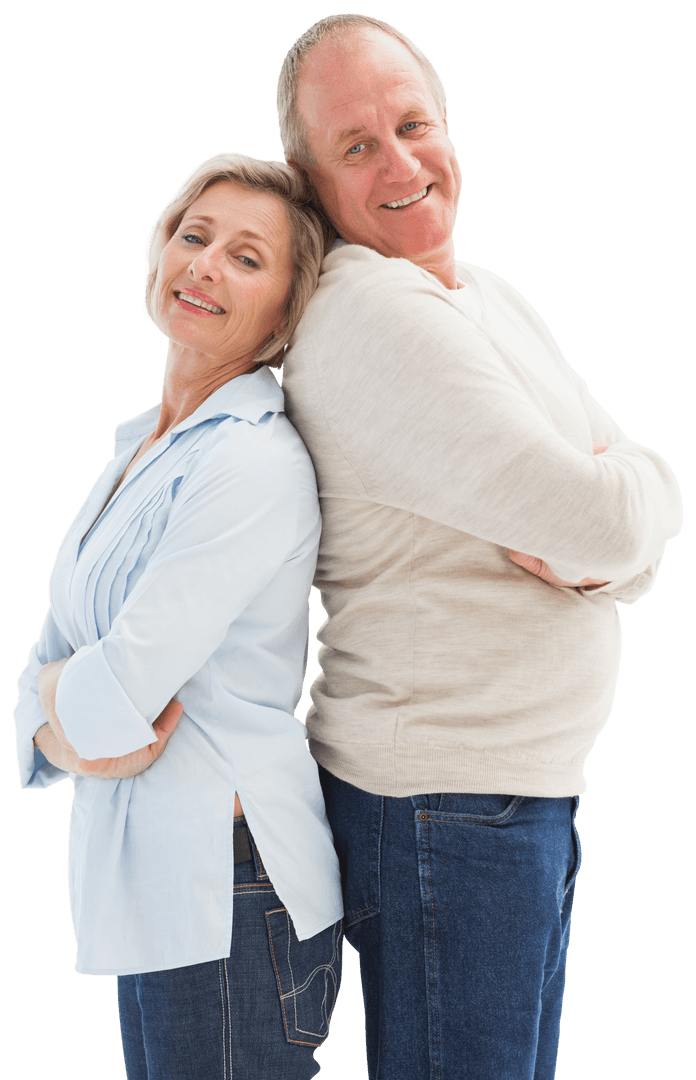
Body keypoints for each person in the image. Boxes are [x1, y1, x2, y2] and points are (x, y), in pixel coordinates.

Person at [275, 14, 683, 1080]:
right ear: (309, 179)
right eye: (357, 145)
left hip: (507, 797)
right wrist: (614, 541)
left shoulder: (482, 296)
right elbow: (603, 513)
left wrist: (618, 547)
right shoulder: (372, 317)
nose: (403, 161)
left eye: (415, 125)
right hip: (446, 810)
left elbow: (641, 487)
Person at [13, 152, 343, 1080]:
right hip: (150, 895)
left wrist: (57, 712)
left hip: (229, 891)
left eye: (246, 257)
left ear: (285, 310)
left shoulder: (252, 462)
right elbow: (47, 665)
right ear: (155, 252)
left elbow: (115, 686)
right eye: (192, 237)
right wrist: (60, 719)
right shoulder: (135, 451)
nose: (204, 264)